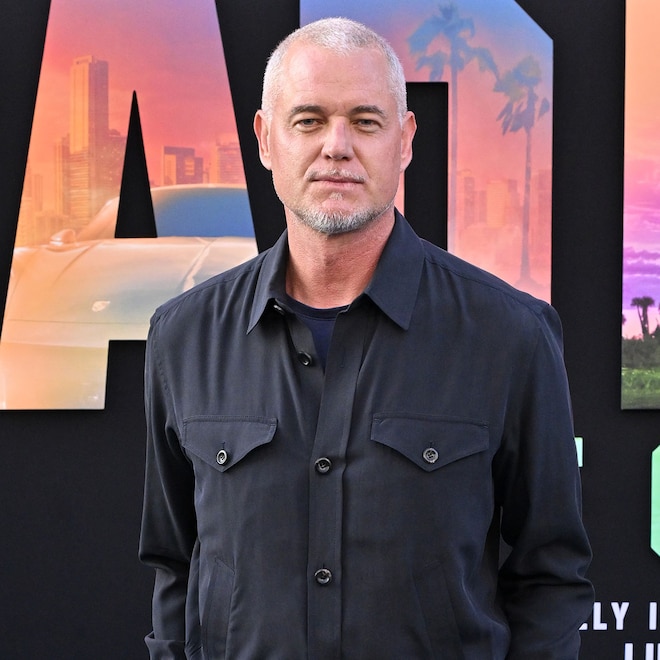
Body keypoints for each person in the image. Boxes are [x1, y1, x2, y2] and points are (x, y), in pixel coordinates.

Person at [139, 17, 593, 659]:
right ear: (265, 139)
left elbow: (550, 574)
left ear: (404, 141)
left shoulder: (512, 337)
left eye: (366, 121)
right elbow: (175, 562)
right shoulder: (183, 338)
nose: (337, 146)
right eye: (309, 120)